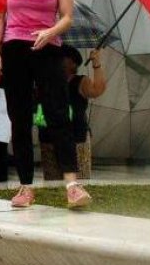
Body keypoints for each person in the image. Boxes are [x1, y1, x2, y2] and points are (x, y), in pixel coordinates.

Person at [0, 0, 90, 209]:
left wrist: (51, 32)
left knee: (58, 114)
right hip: (15, 49)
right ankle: (25, 187)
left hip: (47, 49)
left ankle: (72, 185)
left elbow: (67, 16)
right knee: (19, 118)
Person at [40, 47, 106, 180]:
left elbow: (97, 90)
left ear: (73, 63)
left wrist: (96, 64)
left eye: (63, 57)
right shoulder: (46, 80)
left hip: (76, 137)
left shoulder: (81, 81)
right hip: (50, 138)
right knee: (52, 181)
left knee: (79, 179)